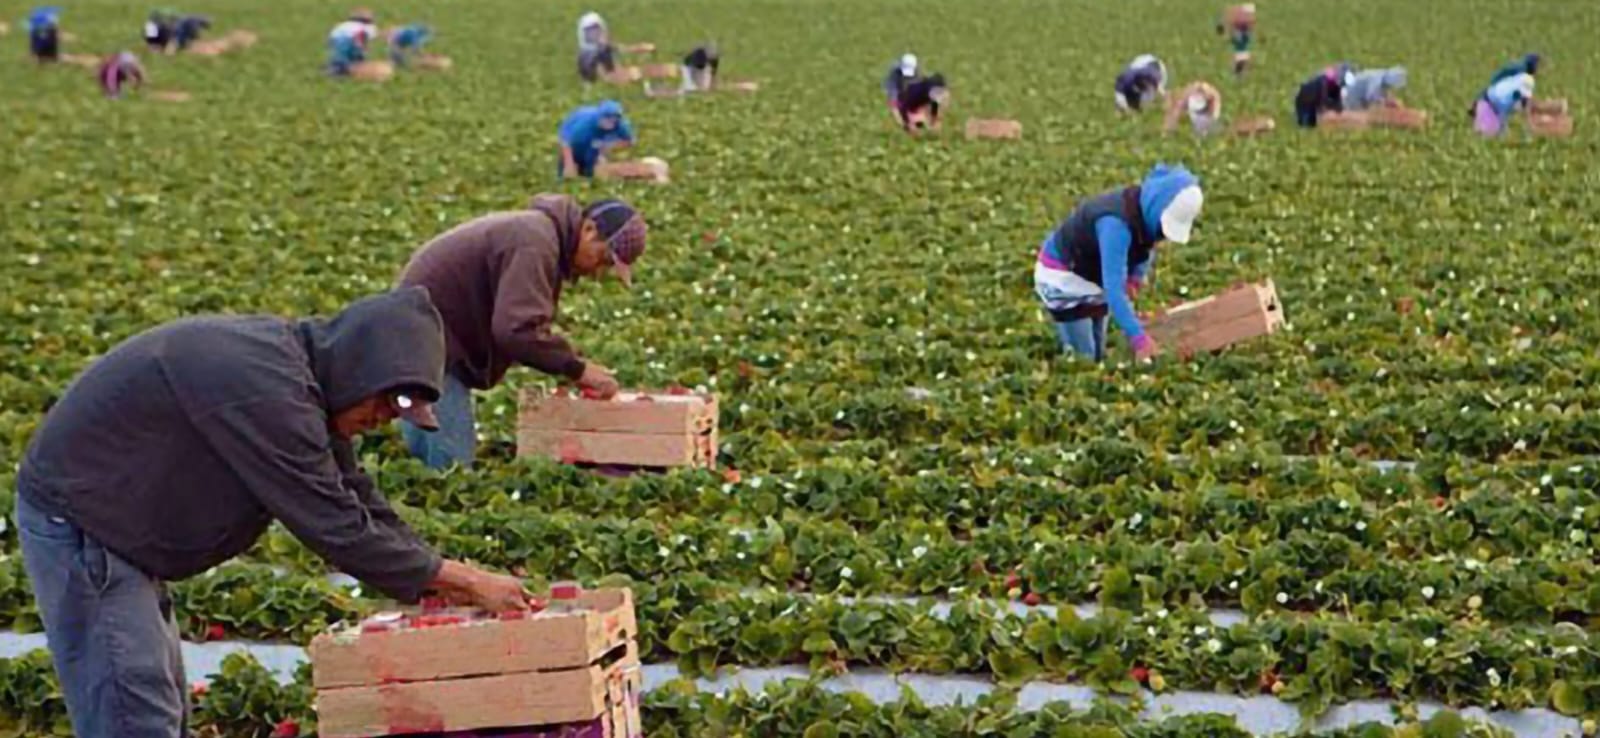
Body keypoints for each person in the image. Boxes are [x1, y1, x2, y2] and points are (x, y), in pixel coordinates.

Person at [15, 288, 532, 737]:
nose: (382, 421)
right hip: (85, 522)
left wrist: (438, 578)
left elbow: (355, 495)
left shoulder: (305, 380)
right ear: (361, 369)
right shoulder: (267, 390)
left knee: (161, 704)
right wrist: (462, 579)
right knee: (134, 713)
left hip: (124, 525)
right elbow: (333, 523)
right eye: (387, 403)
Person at [397, 196, 647, 469]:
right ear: (588, 230)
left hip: (421, 338)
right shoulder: (535, 243)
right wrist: (577, 369)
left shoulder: (539, 235)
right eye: (602, 259)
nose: (598, 272)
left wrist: (566, 366)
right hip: (424, 343)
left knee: (430, 466)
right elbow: (516, 330)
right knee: (450, 471)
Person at [1033, 164, 1204, 362]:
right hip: (1062, 278)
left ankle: (1094, 364)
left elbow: (1146, 245)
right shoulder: (1115, 226)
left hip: (1092, 274)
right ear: (1157, 208)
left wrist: (1134, 279)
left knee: (1099, 353)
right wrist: (1140, 340)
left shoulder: (1143, 210)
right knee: (1085, 358)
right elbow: (1114, 290)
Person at [558, 99, 635, 178]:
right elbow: (566, 141)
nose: (611, 123)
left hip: (596, 144)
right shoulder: (584, 124)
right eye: (607, 119)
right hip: (577, 141)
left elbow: (629, 141)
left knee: (591, 168)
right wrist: (569, 163)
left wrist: (607, 147)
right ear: (600, 117)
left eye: (614, 120)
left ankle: (589, 175)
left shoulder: (620, 125)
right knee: (569, 169)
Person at [1474, 61, 1536, 137]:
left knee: (1495, 134)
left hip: (1490, 102)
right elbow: (1504, 114)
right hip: (1489, 105)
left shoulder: (1522, 79)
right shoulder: (1508, 97)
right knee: (1488, 135)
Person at [1294, 63, 1354, 128]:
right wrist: (1335, 107)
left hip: (1311, 100)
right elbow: (1324, 100)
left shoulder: (1335, 83)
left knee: (1312, 125)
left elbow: (1336, 99)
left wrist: (1339, 108)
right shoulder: (1325, 80)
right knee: (1306, 124)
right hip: (1305, 101)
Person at [327, 8, 379, 76]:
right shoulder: (369, 27)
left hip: (336, 40)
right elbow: (361, 36)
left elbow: (332, 37)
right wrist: (363, 48)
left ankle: (335, 69)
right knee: (355, 58)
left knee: (340, 58)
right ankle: (344, 71)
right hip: (350, 40)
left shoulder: (345, 24)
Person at [576, 11, 616, 83]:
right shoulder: (591, 55)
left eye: (596, 30)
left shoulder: (602, 50)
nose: (594, 35)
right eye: (590, 33)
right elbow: (607, 79)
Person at [1216, 4, 1256, 76]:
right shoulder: (1245, 36)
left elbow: (1229, 37)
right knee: (1243, 64)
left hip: (1240, 54)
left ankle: (1239, 73)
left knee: (1240, 65)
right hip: (1243, 54)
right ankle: (1241, 73)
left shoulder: (1238, 37)